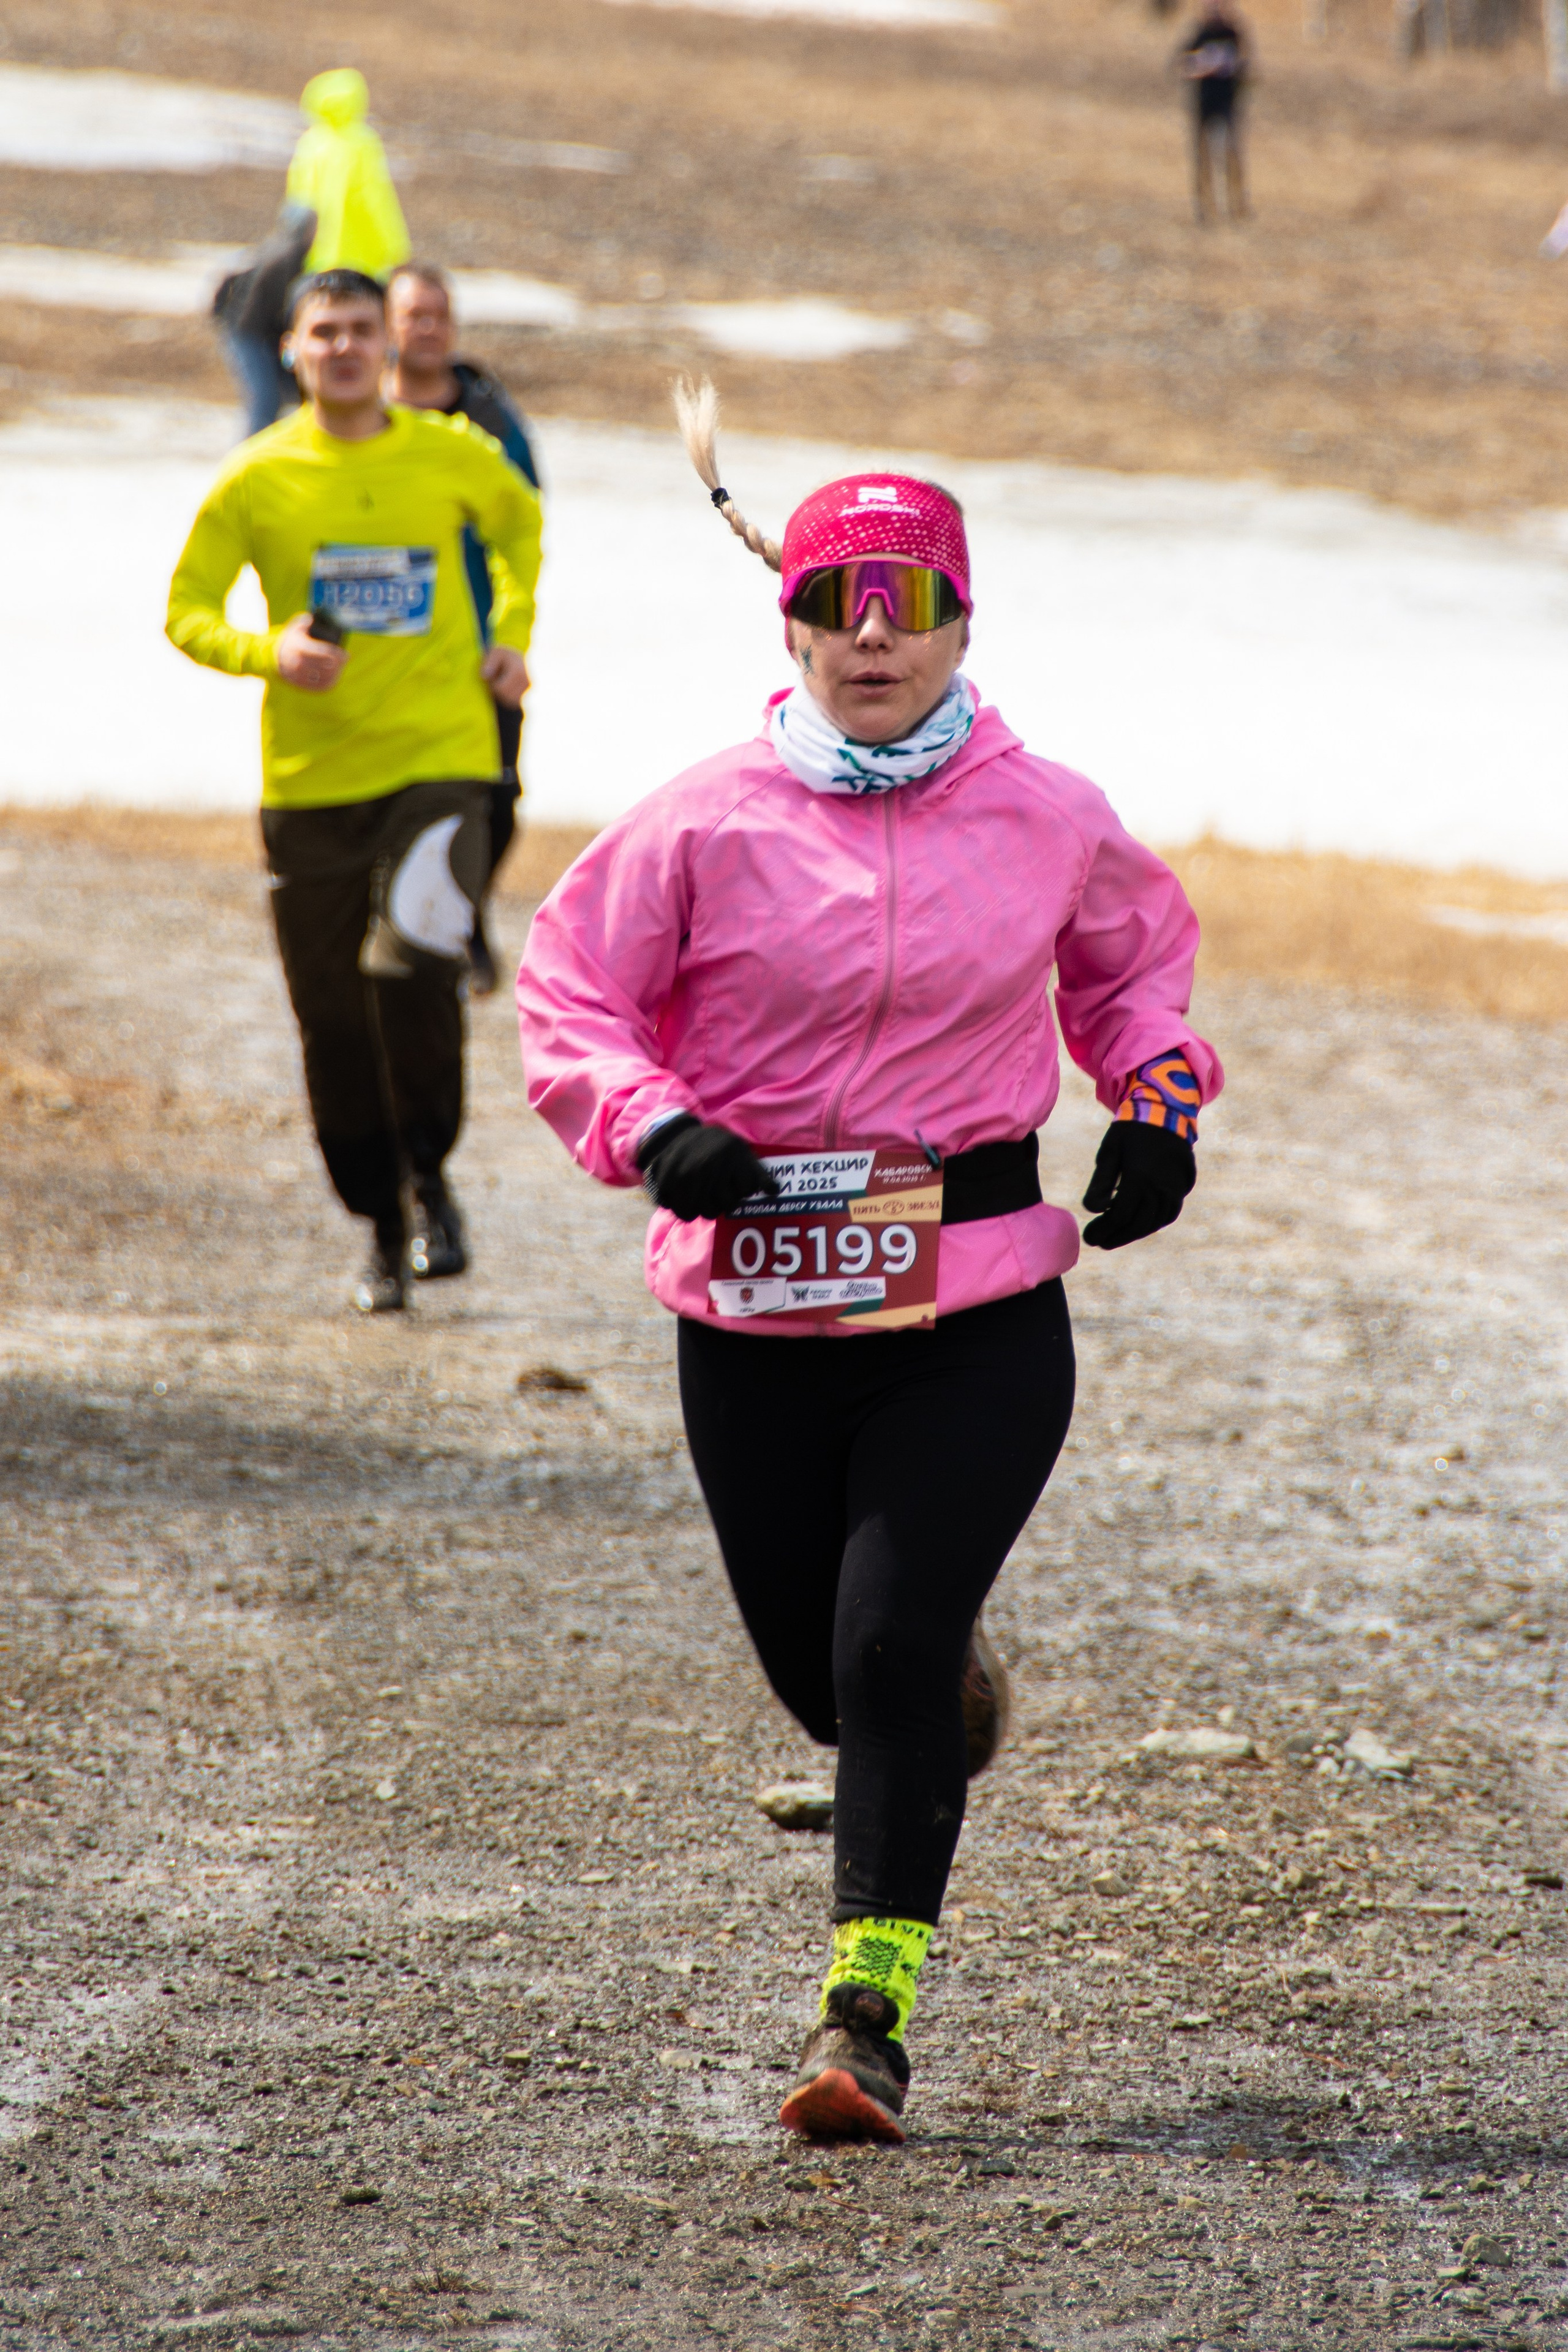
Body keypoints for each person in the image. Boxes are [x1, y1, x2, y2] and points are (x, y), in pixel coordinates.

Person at [516, 382, 1221, 2144]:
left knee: (890, 1639)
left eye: (909, 612)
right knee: (822, 1676)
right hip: (753, 1306)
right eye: (840, 610)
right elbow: (570, 998)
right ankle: (919, 1702)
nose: (874, 643)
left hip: (973, 1301)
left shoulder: (1047, 813)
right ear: (795, 620)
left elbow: (1134, 970)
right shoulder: (698, 822)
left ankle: (865, 2015)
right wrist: (649, 1123)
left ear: (965, 621)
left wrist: (1155, 1104)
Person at [167, 269, 543, 1315]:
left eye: (360, 330)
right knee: (332, 1014)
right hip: (311, 779)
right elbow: (186, 610)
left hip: (443, 760)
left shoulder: (452, 454)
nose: (342, 347)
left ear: (389, 345)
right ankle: (380, 1220)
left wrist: (510, 635)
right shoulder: (257, 475)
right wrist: (265, 649)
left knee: (415, 967)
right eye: (322, 331)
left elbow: (521, 532)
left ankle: (431, 1178)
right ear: (290, 348)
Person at [384, 262, 543, 995]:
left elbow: (524, 526)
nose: (428, 329)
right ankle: (406, 925)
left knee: (496, 797)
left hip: (478, 646)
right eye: (414, 315)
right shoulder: (359, 414)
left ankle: (466, 913)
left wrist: (512, 636)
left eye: (438, 315)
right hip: (381, 649)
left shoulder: (486, 417)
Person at [286, 69, 410, 280]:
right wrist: (396, 250)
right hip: (362, 256)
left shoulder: (311, 144)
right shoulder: (361, 143)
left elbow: (297, 202)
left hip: (317, 255)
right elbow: (377, 200)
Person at [211, 203, 316, 440]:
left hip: (250, 332)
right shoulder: (286, 258)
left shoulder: (275, 248)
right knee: (264, 400)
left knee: (279, 398)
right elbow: (281, 312)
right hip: (248, 335)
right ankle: (250, 458)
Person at [1180, 9, 1251, 224]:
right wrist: (1202, 65)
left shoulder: (1233, 33)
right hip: (1204, 102)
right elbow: (1182, 64)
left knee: (1232, 154)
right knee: (1203, 158)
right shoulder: (1200, 33)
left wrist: (1233, 68)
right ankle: (1203, 208)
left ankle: (1237, 207)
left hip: (1227, 102)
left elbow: (1247, 66)